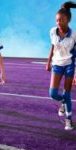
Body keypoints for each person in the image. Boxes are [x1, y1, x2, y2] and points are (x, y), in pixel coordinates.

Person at [46, 1, 76, 130]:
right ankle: (63, 101)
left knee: (67, 93)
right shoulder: (53, 31)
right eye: (57, 20)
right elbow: (53, 47)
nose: (58, 23)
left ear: (68, 20)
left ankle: (68, 120)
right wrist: (48, 62)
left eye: (61, 20)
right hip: (57, 65)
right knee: (52, 93)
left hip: (69, 65)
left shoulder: (74, 35)